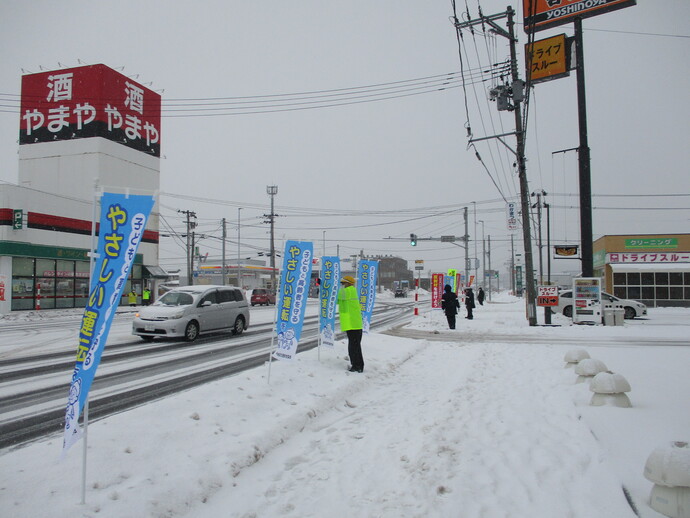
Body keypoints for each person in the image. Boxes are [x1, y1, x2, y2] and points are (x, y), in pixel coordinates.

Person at [337, 275, 364, 373]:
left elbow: (336, 295)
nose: (342, 285)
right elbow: (336, 300)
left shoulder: (349, 291)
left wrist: (324, 287)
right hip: (351, 324)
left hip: (354, 325)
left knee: (354, 347)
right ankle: (356, 365)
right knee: (353, 346)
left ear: (349, 283)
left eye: (343, 283)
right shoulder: (346, 293)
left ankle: (358, 366)